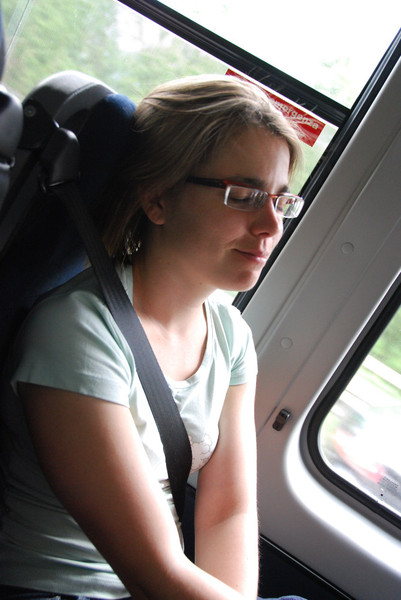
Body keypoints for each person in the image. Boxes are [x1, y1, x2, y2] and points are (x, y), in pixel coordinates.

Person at [0, 74, 306, 600]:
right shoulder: (78, 331)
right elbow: (156, 573)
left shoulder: (231, 337)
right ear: (158, 199)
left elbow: (227, 511)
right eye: (244, 196)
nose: (271, 227)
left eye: (280, 201)